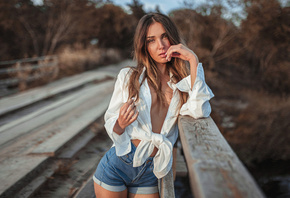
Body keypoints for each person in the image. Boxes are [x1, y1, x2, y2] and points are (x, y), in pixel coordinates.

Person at [93, 13, 214, 198]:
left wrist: (193, 60)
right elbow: (111, 121)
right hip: (119, 164)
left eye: (164, 36)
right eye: (151, 40)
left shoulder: (182, 84)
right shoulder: (129, 77)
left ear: (173, 38)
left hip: (152, 170)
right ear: (144, 46)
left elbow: (199, 110)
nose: (161, 45)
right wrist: (120, 123)